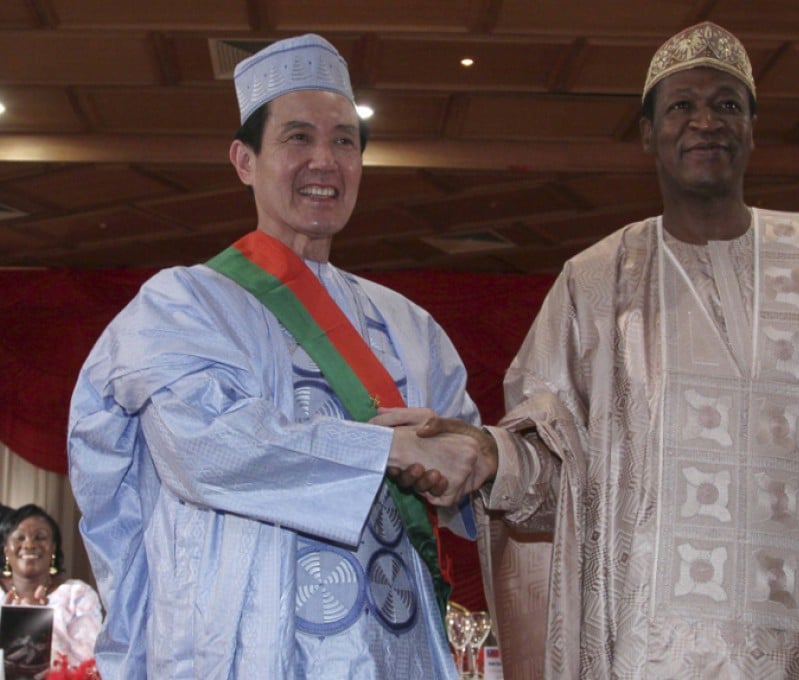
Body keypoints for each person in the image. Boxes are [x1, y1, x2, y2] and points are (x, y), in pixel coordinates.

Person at [407, 21, 799, 680]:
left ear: (752, 129)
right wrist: (488, 453)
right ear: (648, 133)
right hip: (649, 653)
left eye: (727, 104)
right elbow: (558, 469)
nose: (706, 121)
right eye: (682, 106)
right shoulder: (595, 281)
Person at [67, 34, 492, 679]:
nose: (325, 161)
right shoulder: (182, 304)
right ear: (244, 160)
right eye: (298, 138)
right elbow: (209, 446)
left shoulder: (410, 326)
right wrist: (389, 449)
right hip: (239, 644)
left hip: (394, 651)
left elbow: (466, 468)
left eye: (345, 141)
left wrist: (474, 458)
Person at [1, 504, 102, 670]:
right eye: (20, 538)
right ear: (6, 549)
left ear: (53, 548)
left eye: (40, 537)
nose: (29, 545)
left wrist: (38, 629)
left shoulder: (77, 595)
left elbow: (89, 664)